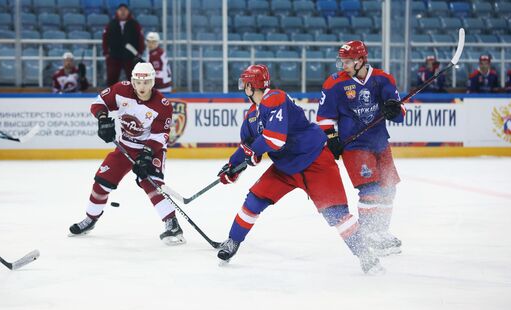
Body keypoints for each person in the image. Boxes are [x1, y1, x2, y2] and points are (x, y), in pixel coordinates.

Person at [215, 64, 384, 274]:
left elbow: (274, 140)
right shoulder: (251, 117)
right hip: (285, 168)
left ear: (251, 86)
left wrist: (251, 153)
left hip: (316, 162)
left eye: (245, 84)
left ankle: (366, 255)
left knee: (337, 214)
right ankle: (232, 241)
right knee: (254, 200)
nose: (243, 88)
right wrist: (231, 168)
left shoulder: (275, 98)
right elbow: (248, 148)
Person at [69, 62, 185, 245]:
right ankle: (90, 219)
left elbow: (160, 136)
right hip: (125, 147)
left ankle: (172, 223)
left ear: (153, 82)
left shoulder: (162, 105)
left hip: (151, 148)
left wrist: (147, 154)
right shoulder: (121, 90)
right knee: (102, 182)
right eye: (138, 82)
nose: (142, 87)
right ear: (132, 81)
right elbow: (98, 103)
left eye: (146, 82)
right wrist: (102, 119)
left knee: (151, 183)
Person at [316, 40, 405, 258]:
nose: (343, 65)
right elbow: (324, 119)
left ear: (361, 60)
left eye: (347, 61)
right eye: (342, 61)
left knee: (388, 188)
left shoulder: (383, 79)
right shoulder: (334, 84)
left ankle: (380, 232)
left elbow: (400, 113)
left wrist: (394, 109)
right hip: (354, 146)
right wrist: (332, 138)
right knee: (370, 190)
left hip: (380, 143)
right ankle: (368, 234)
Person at [102, 3, 145, 86]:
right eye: (120, 10)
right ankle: (110, 96)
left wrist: (140, 52)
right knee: (111, 79)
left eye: (125, 10)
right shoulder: (111, 24)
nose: (123, 12)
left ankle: (134, 96)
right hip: (114, 56)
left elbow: (141, 38)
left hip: (130, 57)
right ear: (117, 12)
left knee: (133, 78)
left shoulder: (135, 24)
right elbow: (105, 39)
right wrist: (106, 53)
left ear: (128, 12)